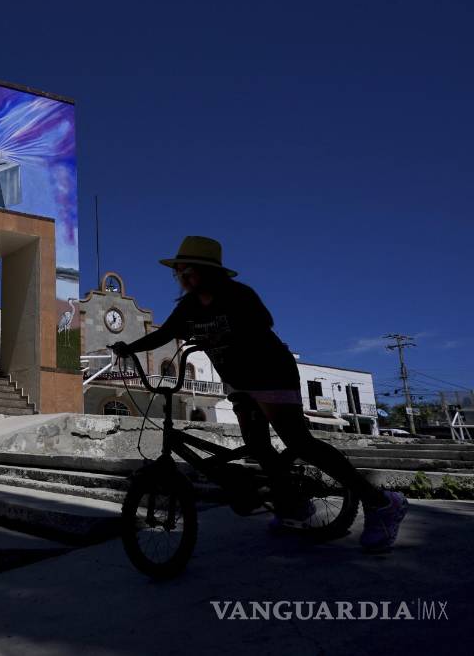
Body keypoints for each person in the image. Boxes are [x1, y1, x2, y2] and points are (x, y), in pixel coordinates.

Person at [109, 236, 408, 552]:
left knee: (298, 442)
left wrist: (231, 334)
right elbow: (166, 334)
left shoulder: (237, 295)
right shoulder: (189, 308)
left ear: (209, 271)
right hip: (239, 384)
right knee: (258, 447)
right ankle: (292, 505)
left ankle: (382, 503)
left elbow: (264, 322)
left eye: (189, 270)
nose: (183, 277)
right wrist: (130, 348)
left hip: (271, 374)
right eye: (179, 272)